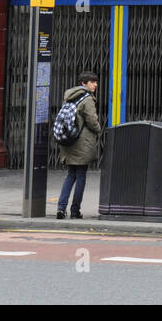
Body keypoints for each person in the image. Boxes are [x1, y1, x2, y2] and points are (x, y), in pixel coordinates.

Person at [57, 71, 102, 219]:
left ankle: (61, 208)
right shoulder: (87, 99)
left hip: (69, 141)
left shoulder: (70, 97)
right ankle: (75, 210)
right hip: (82, 144)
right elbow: (92, 120)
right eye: (92, 82)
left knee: (70, 175)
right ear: (84, 83)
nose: (95, 84)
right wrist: (99, 130)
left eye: (95, 82)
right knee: (81, 175)